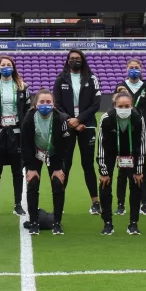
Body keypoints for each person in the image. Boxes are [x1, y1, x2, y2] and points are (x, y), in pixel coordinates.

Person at [53, 49, 102, 214]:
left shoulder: (92, 79)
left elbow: (96, 104)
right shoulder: (60, 80)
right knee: (65, 164)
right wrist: (71, 122)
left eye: (78, 58)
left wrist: (79, 119)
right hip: (67, 125)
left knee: (88, 164)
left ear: (83, 60)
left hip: (86, 126)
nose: (75, 60)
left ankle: (95, 202)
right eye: (72, 58)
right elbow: (57, 105)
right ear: (67, 61)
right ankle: (60, 202)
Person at [21, 88, 72, 235]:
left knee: (58, 183)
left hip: (55, 154)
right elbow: (25, 144)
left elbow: (65, 146)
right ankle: (34, 222)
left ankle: (57, 222)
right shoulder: (29, 118)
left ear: (54, 104)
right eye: (42, 102)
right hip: (35, 153)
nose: (45, 104)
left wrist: (58, 167)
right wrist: (30, 168)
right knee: (33, 183)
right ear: (36, 104)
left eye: (48, 102)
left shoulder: (62, 119)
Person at [0, 55, 30, 217]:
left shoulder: (22, 87)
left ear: (13, 67)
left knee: (18, 171)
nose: (5, 67)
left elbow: (27, 110)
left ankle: (18, 204)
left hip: (16, 134)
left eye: (8, 65)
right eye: (3, 65)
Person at [97, 88, 146, 235]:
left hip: (131, 153)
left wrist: (139, 170)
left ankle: (133, 223)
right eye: (120, 106)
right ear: (114, 105)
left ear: (132, 106)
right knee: (105, 183)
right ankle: (107, 223)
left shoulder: (138, 118)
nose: (124, 109)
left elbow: (141, 144)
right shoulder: (106, 118)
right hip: (111, 152)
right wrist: (103, 171)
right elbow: (101, 146)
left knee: (136, 183)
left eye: (127, 106)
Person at [113, 58, 146, 216]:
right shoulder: (120, 87)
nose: (134, 70)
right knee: (122, 170)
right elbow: (115, 108)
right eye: (131, 67)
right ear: (126, 69)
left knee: (142, 168)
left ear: (141, 69)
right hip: (123, 133)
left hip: (142, 134)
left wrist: (140, 125)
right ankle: (121, 204)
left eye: (137, 67)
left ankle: (143, 203)